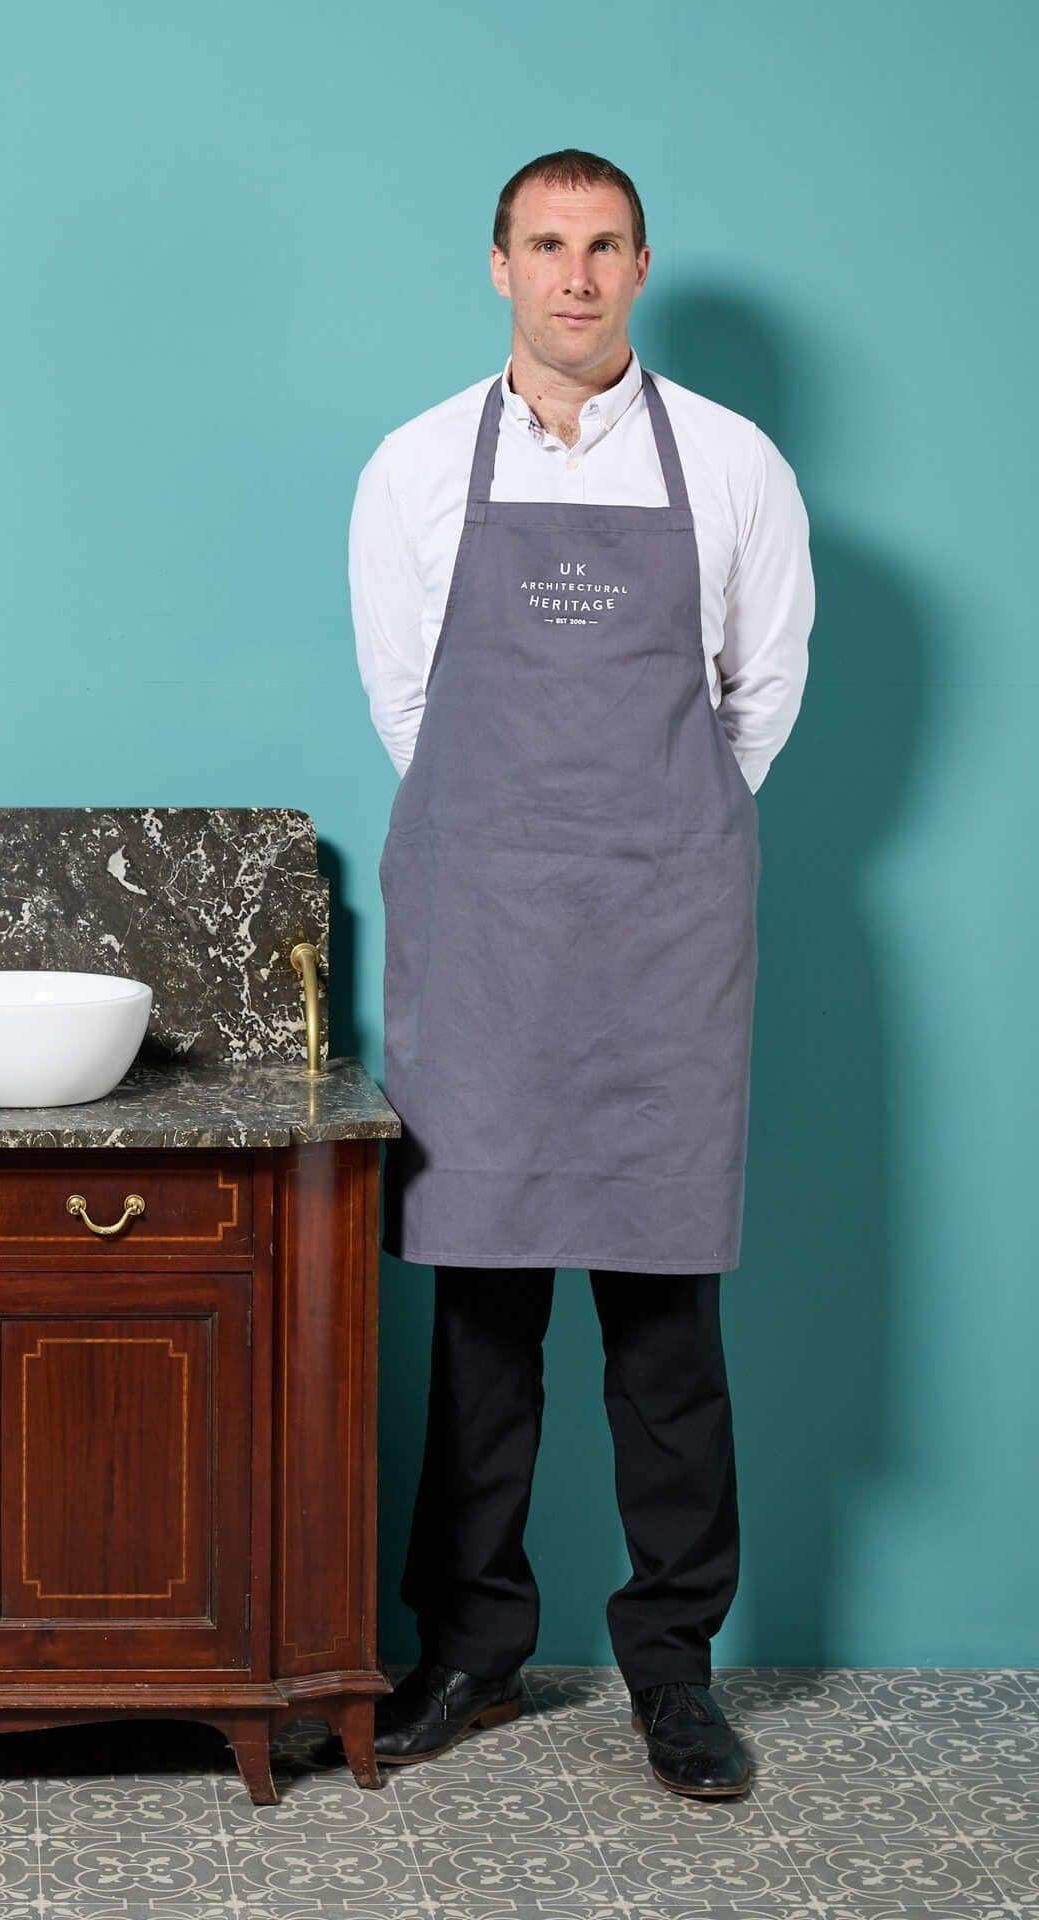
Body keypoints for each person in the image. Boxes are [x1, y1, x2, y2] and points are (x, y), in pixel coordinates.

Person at [345, 150, 814, 1798]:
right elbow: (408, 704)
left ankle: (672, 1670)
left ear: (640, 266)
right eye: (546, 245)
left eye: (604, 245)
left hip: (666, 934)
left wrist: (656, 841)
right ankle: (470, 1649)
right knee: (482, 1308)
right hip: (483, 929)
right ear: (500, 266)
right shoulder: (415, 466)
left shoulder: (735, 464)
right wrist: (512, 842)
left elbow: (759, 697)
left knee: (664, 1319)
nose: (576, 275)